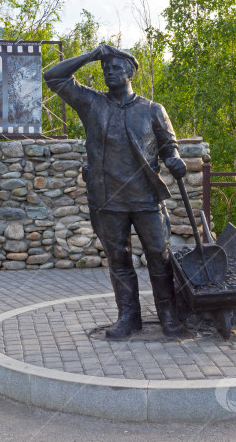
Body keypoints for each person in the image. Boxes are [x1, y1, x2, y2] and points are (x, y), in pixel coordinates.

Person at [43, 44, 187, 338]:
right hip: (107, 199)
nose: (110, 71)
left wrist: (174, 158)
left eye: (116, 67)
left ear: (131, 72)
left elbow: (168, 145)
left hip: (146, 198)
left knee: (158, 258)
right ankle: (128, 318)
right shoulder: (91, 102)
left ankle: (168, 316)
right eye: (105, 68)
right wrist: (91, 55)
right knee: (118, 261)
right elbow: (53, 77)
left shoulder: (152, 110)